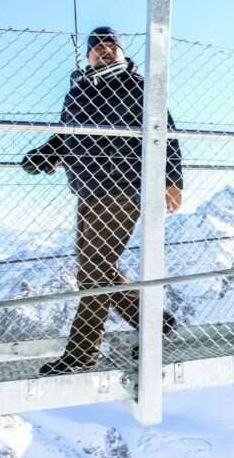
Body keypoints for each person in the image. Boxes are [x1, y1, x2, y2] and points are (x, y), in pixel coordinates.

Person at [21, 26, 184, 375]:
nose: (105, 51)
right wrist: (46, 154)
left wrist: (172, 180)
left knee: (94, 272)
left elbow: (165, 132)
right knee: (98, 270)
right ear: (88, 55)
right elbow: (68, 136)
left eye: (112, 46)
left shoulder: (136, 87)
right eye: (97, 47)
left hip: (123, 186)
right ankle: (155, 322)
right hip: (88, 191)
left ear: (123, 52)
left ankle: (81, 355)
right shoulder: (78, 92)